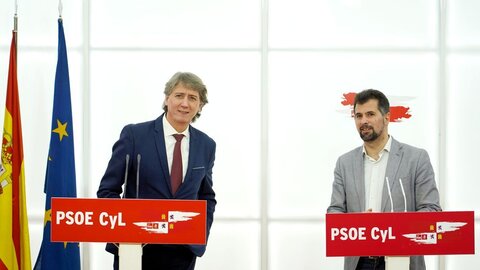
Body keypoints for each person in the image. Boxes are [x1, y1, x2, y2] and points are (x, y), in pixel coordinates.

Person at [97, 71, 216, 270]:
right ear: (167, 98)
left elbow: (206, 196)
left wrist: (200, 233)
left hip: (183, 252)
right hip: (136, 249)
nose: (185, 103)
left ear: (200, 106)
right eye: (179, 95)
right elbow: (107, 190)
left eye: (192, 98)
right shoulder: (134, 135)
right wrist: (123, 231)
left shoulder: (207, 145)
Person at [327, 89, 441, 270]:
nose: (363, 121)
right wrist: (357, 224)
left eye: (370, 114)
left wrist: (394, 228)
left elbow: (432, 210)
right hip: (359, 262)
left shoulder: (416, 158)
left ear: (387, 117)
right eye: (358, 116)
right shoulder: (344, 163)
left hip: (403, 259)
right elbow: (335, 211)